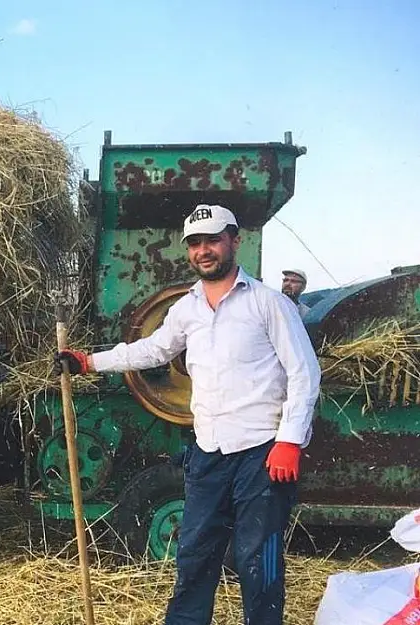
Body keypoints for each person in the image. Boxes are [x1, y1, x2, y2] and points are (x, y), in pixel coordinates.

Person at [56, 204, 321, 625]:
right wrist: (89, 362)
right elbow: (153, 349)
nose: (203, 250)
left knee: (259, 557)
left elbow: (304, 372)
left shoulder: (269, 304)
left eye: (212, 240)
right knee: (194, 551)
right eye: (195, 243)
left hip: (262, 454)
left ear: (234, 240)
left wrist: (289, 440)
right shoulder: (187, 308)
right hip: (208, 451)